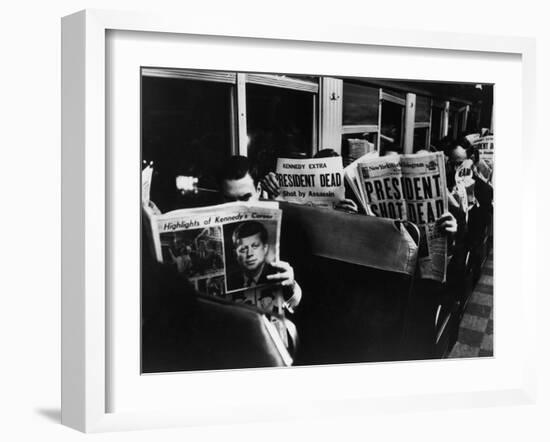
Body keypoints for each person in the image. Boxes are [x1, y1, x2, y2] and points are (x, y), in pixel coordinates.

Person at [218, 156, 302, 311]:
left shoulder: (286, 229)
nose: (238, 208)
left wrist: (291, 286)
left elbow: (307, 306)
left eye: (245, 198)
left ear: (258, 191)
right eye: (229, 200)